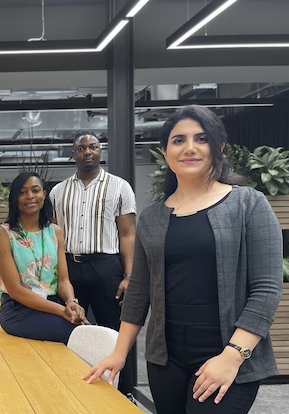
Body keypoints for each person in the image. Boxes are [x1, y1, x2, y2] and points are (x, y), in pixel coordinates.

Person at [84, 105, 284, 414]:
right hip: (166, 361)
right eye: (178, 140)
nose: (189, 148)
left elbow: (266, 290)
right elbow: (138, 291)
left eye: (201, 138)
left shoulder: (248, 204)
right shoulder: (152, 216)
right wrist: (119, 353)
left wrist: (231, 357)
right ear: (165, 151)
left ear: (218, 147)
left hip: (229, 355)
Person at [49, 130, 137, 400]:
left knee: (116, 331)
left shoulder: (119, 187)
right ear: (73, 154)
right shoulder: (57, 191)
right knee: (69, 328)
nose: (88, 152)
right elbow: (53, 235)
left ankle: (124, 393)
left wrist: (128, 274)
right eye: (81, 148)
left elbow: (128, 234)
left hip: (107, 267)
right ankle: (73, 388)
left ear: (101, 151)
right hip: (69, 268)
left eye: (94, 147)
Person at [0, 171, 87, 343]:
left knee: (87, 332)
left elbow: (63, 281)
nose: (30, 196)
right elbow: (15, 291)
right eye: (22, 192)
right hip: (18, 309)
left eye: (35, 190)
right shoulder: (3, 235)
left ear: (44, 194)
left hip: (52, 304)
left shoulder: (55, 232)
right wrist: (62, 311)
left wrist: (71, 302)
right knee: (82, 335)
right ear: (14, 198)